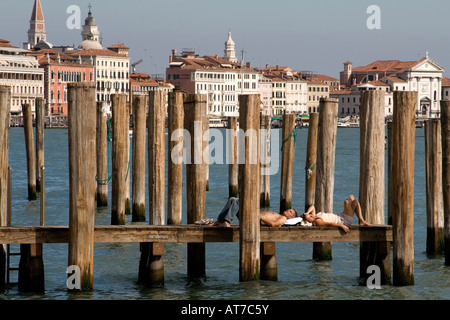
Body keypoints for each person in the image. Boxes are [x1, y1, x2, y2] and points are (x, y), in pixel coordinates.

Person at [203, 197, 298, 227]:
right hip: (251, 218)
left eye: (290, 211)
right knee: (232, 199)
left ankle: (226, 222)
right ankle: (220, 221)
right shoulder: (278, 214)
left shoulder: (283, 218)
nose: (287, 210)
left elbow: (273, 224)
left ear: (290, 217)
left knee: (238, 201)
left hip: (254, 222)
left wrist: (261, 218)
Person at [301, 194, 371, 233]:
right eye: (310, 218)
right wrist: (341, 226)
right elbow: (329, 224)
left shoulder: (315, 216)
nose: (311, 216)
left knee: (356, 202)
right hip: (343, 221)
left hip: (341, 215)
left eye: (310, 215)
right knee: (347, 201)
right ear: (309, 222)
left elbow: (312, 207)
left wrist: (307, 213)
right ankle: (351, 199)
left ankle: (362, 221)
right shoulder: (317, 221)